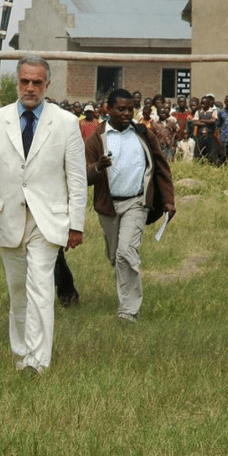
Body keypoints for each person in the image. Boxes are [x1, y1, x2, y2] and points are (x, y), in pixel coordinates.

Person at [0, 55, 87, 374]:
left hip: (48, 219)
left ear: (47, 84)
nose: (30, 88)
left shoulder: (65, 123)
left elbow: (76, 177)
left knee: (41, 287)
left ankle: (38, 359)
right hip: (8, 216)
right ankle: (21, 353)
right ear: (16, 82)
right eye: (24, 81)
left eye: (37, 82)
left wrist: (76, 224)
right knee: (18, 289)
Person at [85, 89, 176, 323]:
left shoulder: (143, 134)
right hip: (108, 206)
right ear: (108, 109)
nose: (127, 113)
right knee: (116, 256)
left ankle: (128, 311)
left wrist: (168, 200)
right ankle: (124, 295)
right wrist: (98, 167)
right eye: (121, 109)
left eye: (130, 109)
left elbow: (161, 167)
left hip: (137, 202)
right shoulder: (97, 139)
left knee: (126, 252)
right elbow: (83, 176)